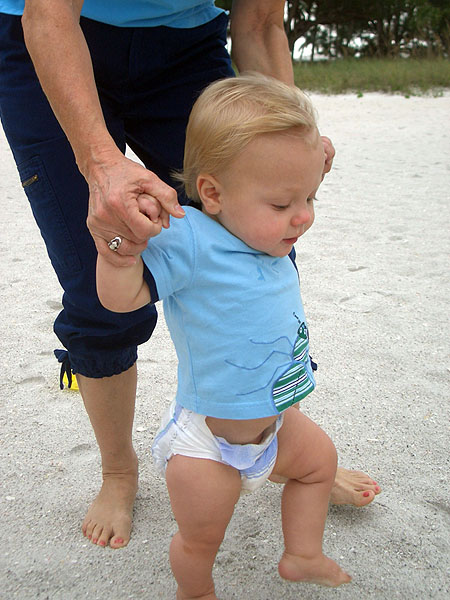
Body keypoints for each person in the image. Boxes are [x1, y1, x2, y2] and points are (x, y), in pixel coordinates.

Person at [0, 0, 380, 549]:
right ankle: (118, 471)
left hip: (186, 48)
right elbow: (49, 16)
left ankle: (273, 439)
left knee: (262, 248)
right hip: (52, 38)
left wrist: (295, 133)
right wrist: (101, 164)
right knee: (99, 275)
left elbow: (261, 23)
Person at [97, 74, 354, 597]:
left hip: (276, 426)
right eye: (283, 205)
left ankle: (302, 553)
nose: (302, 217)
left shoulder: (268, 233)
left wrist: (301, 176)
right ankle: (195, 590)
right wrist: (116, 255)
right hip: (207, 445)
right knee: (200, 540)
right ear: (212, 193)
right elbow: (120, 301)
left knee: (319, 464)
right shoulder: (189, 237)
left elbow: (281, 184)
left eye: (309, 198)